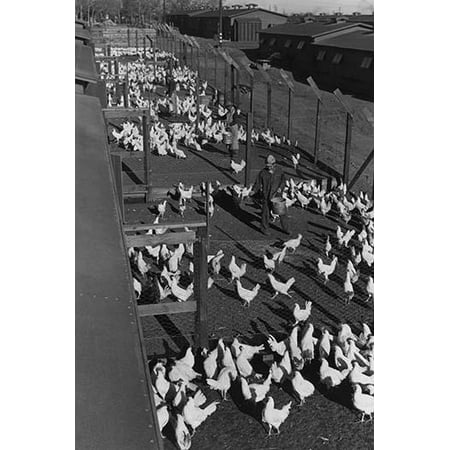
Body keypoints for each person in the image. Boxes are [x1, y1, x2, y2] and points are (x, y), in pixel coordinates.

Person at [252, 155, 290, 235]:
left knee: (282, 213)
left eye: (270, 166)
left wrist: (281, 188)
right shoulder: (263, 172)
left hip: (277, 196)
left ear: (274, 164)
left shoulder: (279, 171)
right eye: (267, 165)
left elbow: (283, 181)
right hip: (266, 196)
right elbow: (258, 183)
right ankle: (264, 229)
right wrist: (254, 191)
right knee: (265, 213)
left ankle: (286, 228)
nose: (268, 167)